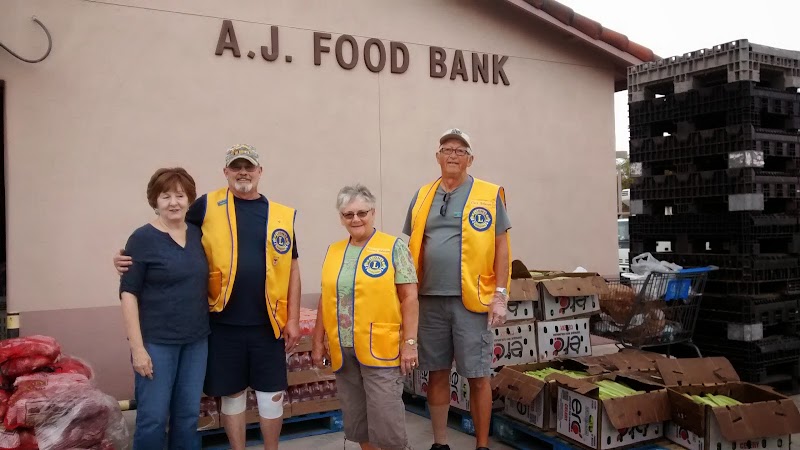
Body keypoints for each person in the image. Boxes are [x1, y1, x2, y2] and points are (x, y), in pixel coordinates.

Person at [115, 145, 302, 450]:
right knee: (183, 409)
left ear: (260, 171)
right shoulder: (204, 208)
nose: (243, 172)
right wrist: (123, 259)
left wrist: (292, 318)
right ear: (226, 172)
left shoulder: (277, 216)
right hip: (208, 329)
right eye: (236, 167)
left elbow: (292, 268)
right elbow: (138, 275)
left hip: (245, 328)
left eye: (249, 167)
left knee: (207, 411)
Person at [403, 128, 511, 450]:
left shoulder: (489, 194)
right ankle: (440, 443)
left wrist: (501, 296)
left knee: (478, 375)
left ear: (470, 159)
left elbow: (502, 247)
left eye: (460, 150)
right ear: (437, 157)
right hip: (429, 299)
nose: (453, 155)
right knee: (435, 374)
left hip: (472, 301)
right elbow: (410, 245)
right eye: (447, 149)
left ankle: (481, 445)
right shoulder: (422, 195)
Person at [312, 184, 419, 450]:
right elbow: (325, 300)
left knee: (387, 420)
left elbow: (410, 298)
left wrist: (410, 343)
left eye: (362, 212)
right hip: (343, 350)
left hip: (382, 349)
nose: (356, 219)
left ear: (373, 212)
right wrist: (317, 342)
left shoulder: (393, 247)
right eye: (349, 214)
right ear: (341, 217)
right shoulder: (334, 251)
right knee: (358, 420)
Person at [119, 168, 210, 449]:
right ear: (154, 201)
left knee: (187, 416)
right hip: (157, 344)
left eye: (180, 196)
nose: (174, 202)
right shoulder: (142, 239)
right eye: (165, 196)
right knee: (153, 417)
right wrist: (138, 349)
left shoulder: (197, 235)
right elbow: (128, 293)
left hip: (196, 342)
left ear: (189, 200)